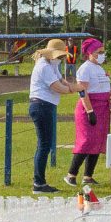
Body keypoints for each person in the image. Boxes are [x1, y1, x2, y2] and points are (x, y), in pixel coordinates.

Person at [67, 38, 111, 189]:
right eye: (99, 52)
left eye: (103, 52)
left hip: (102, 108)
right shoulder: (85, 69)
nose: (102, 54)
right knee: (86, 141)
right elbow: (83, 91)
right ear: (90, 53)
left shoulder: (99, 68)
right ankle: (71, 174)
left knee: (98, 140)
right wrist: (89, 111)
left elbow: (103, 89)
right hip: (89, 108)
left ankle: (88, 176)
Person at [28, 38, 68, 193]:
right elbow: (58, 87)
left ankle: (39, 181)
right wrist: (75, 89)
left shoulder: (52, 64)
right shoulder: (44, 66)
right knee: (44, 145)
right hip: (41, 106)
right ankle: (39, 183)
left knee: (45, 144)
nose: (61, 58)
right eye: (60, 56)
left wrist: (72, 85)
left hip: (46, 106)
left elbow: (62, 81)